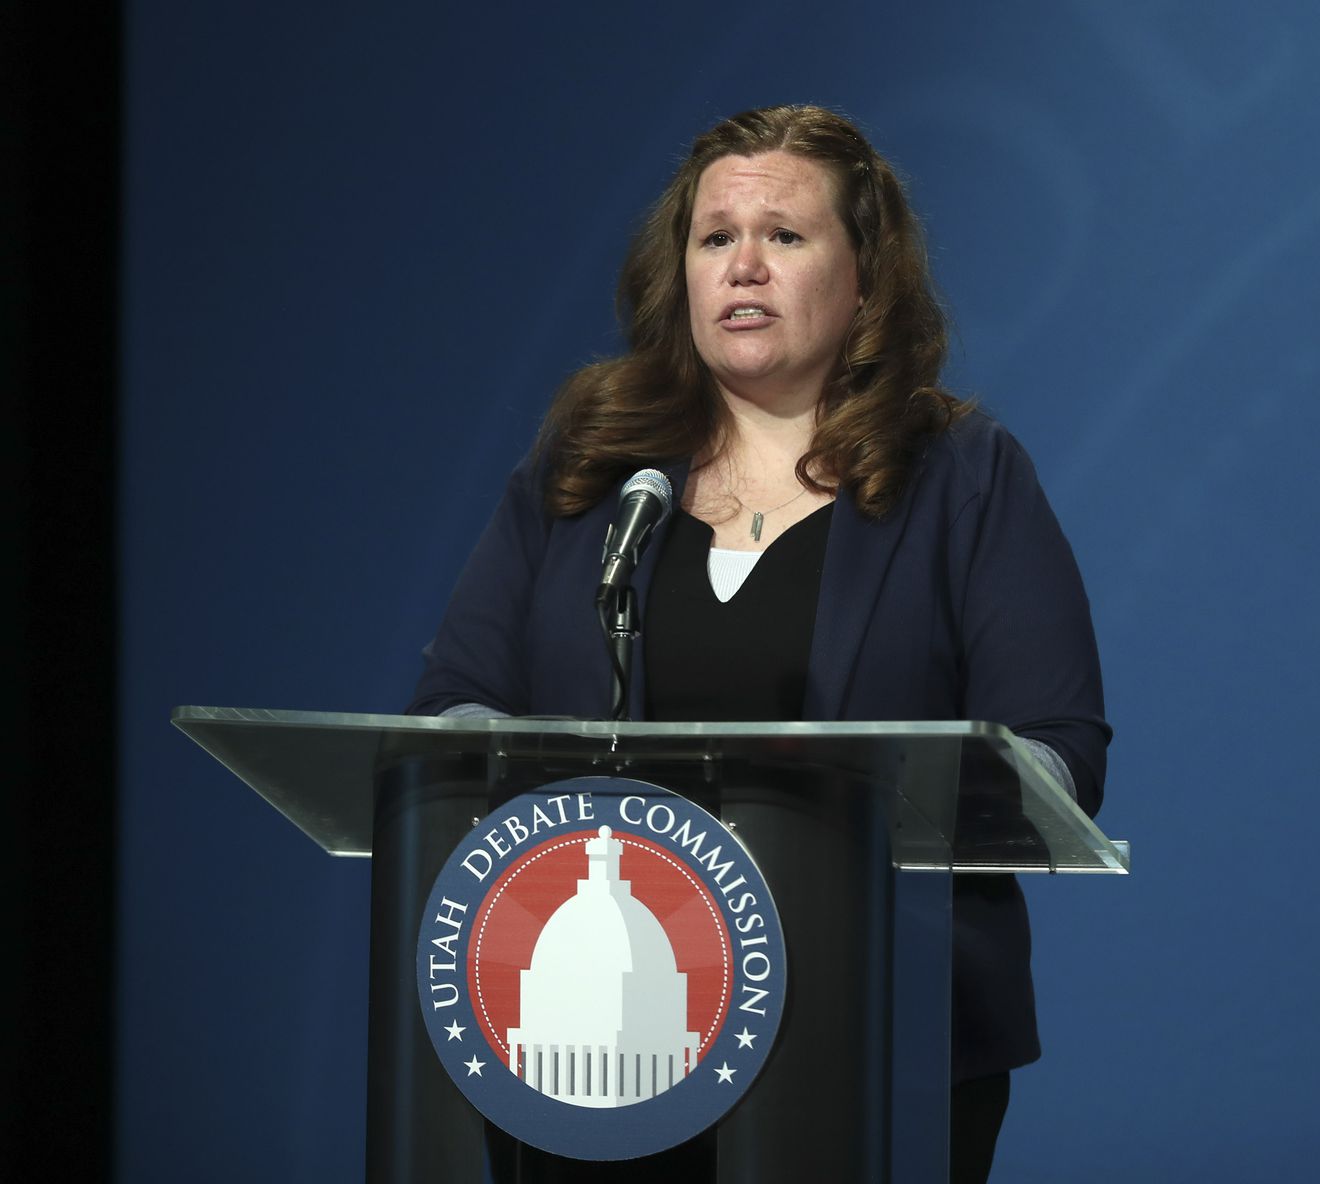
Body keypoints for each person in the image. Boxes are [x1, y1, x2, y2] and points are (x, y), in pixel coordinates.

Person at [409, 104, 1110, 1183]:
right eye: (714, 237)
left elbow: (1059, 747)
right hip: (596, 1036)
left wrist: (939, 794)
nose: (744, 264)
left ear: (867, 276)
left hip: (877, 1024)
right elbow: (456, 701)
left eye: (784, 235)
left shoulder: (963, 476)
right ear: (678, 272)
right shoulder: (593, 472)